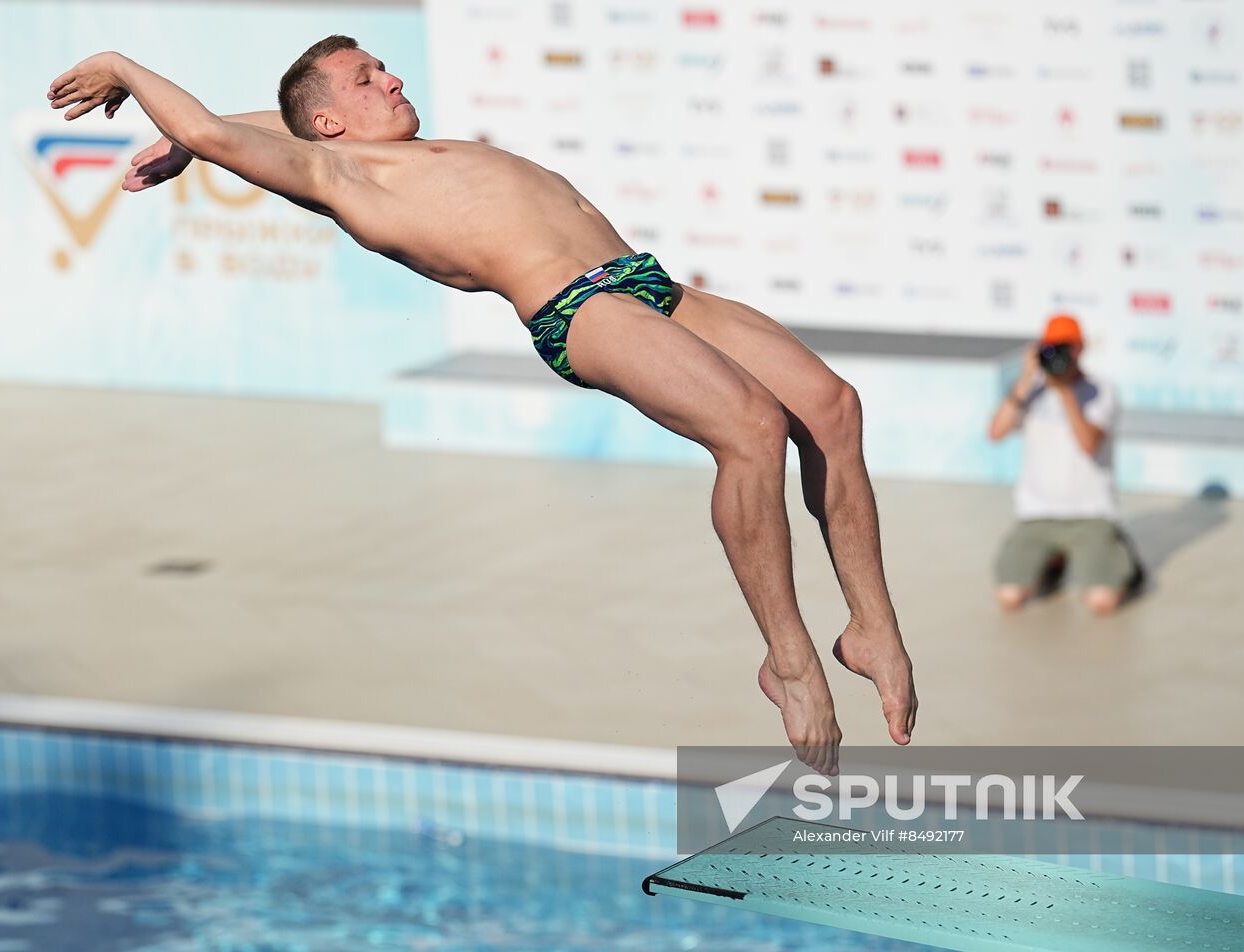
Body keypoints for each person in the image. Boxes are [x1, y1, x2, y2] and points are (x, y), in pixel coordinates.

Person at [46, 37, 917, 773]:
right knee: (753, 429)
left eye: (385, 67)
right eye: (367, 79)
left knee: (831, 407)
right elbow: (240, 128)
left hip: (644, 281)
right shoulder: (343, 176)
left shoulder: (386, 146)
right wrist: (134, 78)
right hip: (584, 310)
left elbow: (260, 120)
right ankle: (790, 659)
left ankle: (870, 629)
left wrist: (201, 140)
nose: (392, 80)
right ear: (329, 123)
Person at [987, 315, 1140, 616]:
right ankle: (1052, 565)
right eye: (1052, 348)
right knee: (1009, 597)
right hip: (1037, 514)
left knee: (1101, 603)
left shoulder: (1100, 389)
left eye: (1067, 348)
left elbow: (1089, 444)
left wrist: (1065, 389)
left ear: (1080, 349)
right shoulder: (1030, 391)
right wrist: (1026, 378)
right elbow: (995, 433)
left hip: (1090, 514)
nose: (1060, 355)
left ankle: (1126, 566)